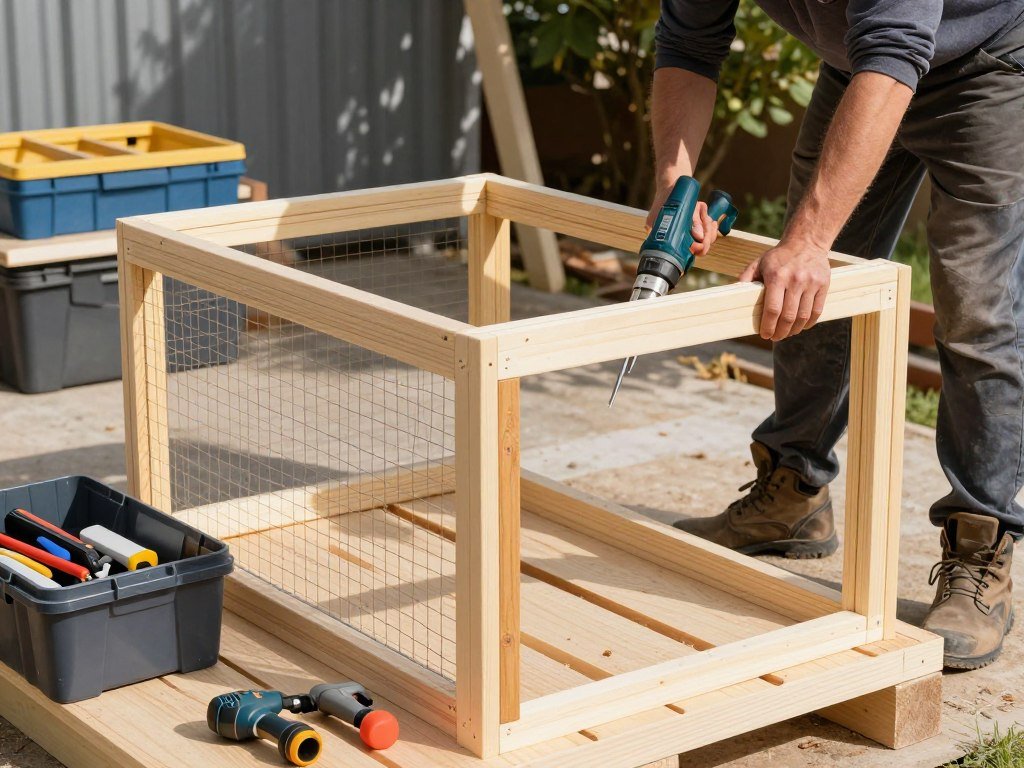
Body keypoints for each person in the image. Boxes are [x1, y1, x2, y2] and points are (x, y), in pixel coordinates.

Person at [653, 0, 1024, 670]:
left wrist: (809, 238)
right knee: (801, 289)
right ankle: (792, 493)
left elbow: (898, 46)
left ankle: (981, 547)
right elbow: (688, 42)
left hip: (987, 60)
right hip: (860, 62)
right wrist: (672, 182)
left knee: (978, 311)